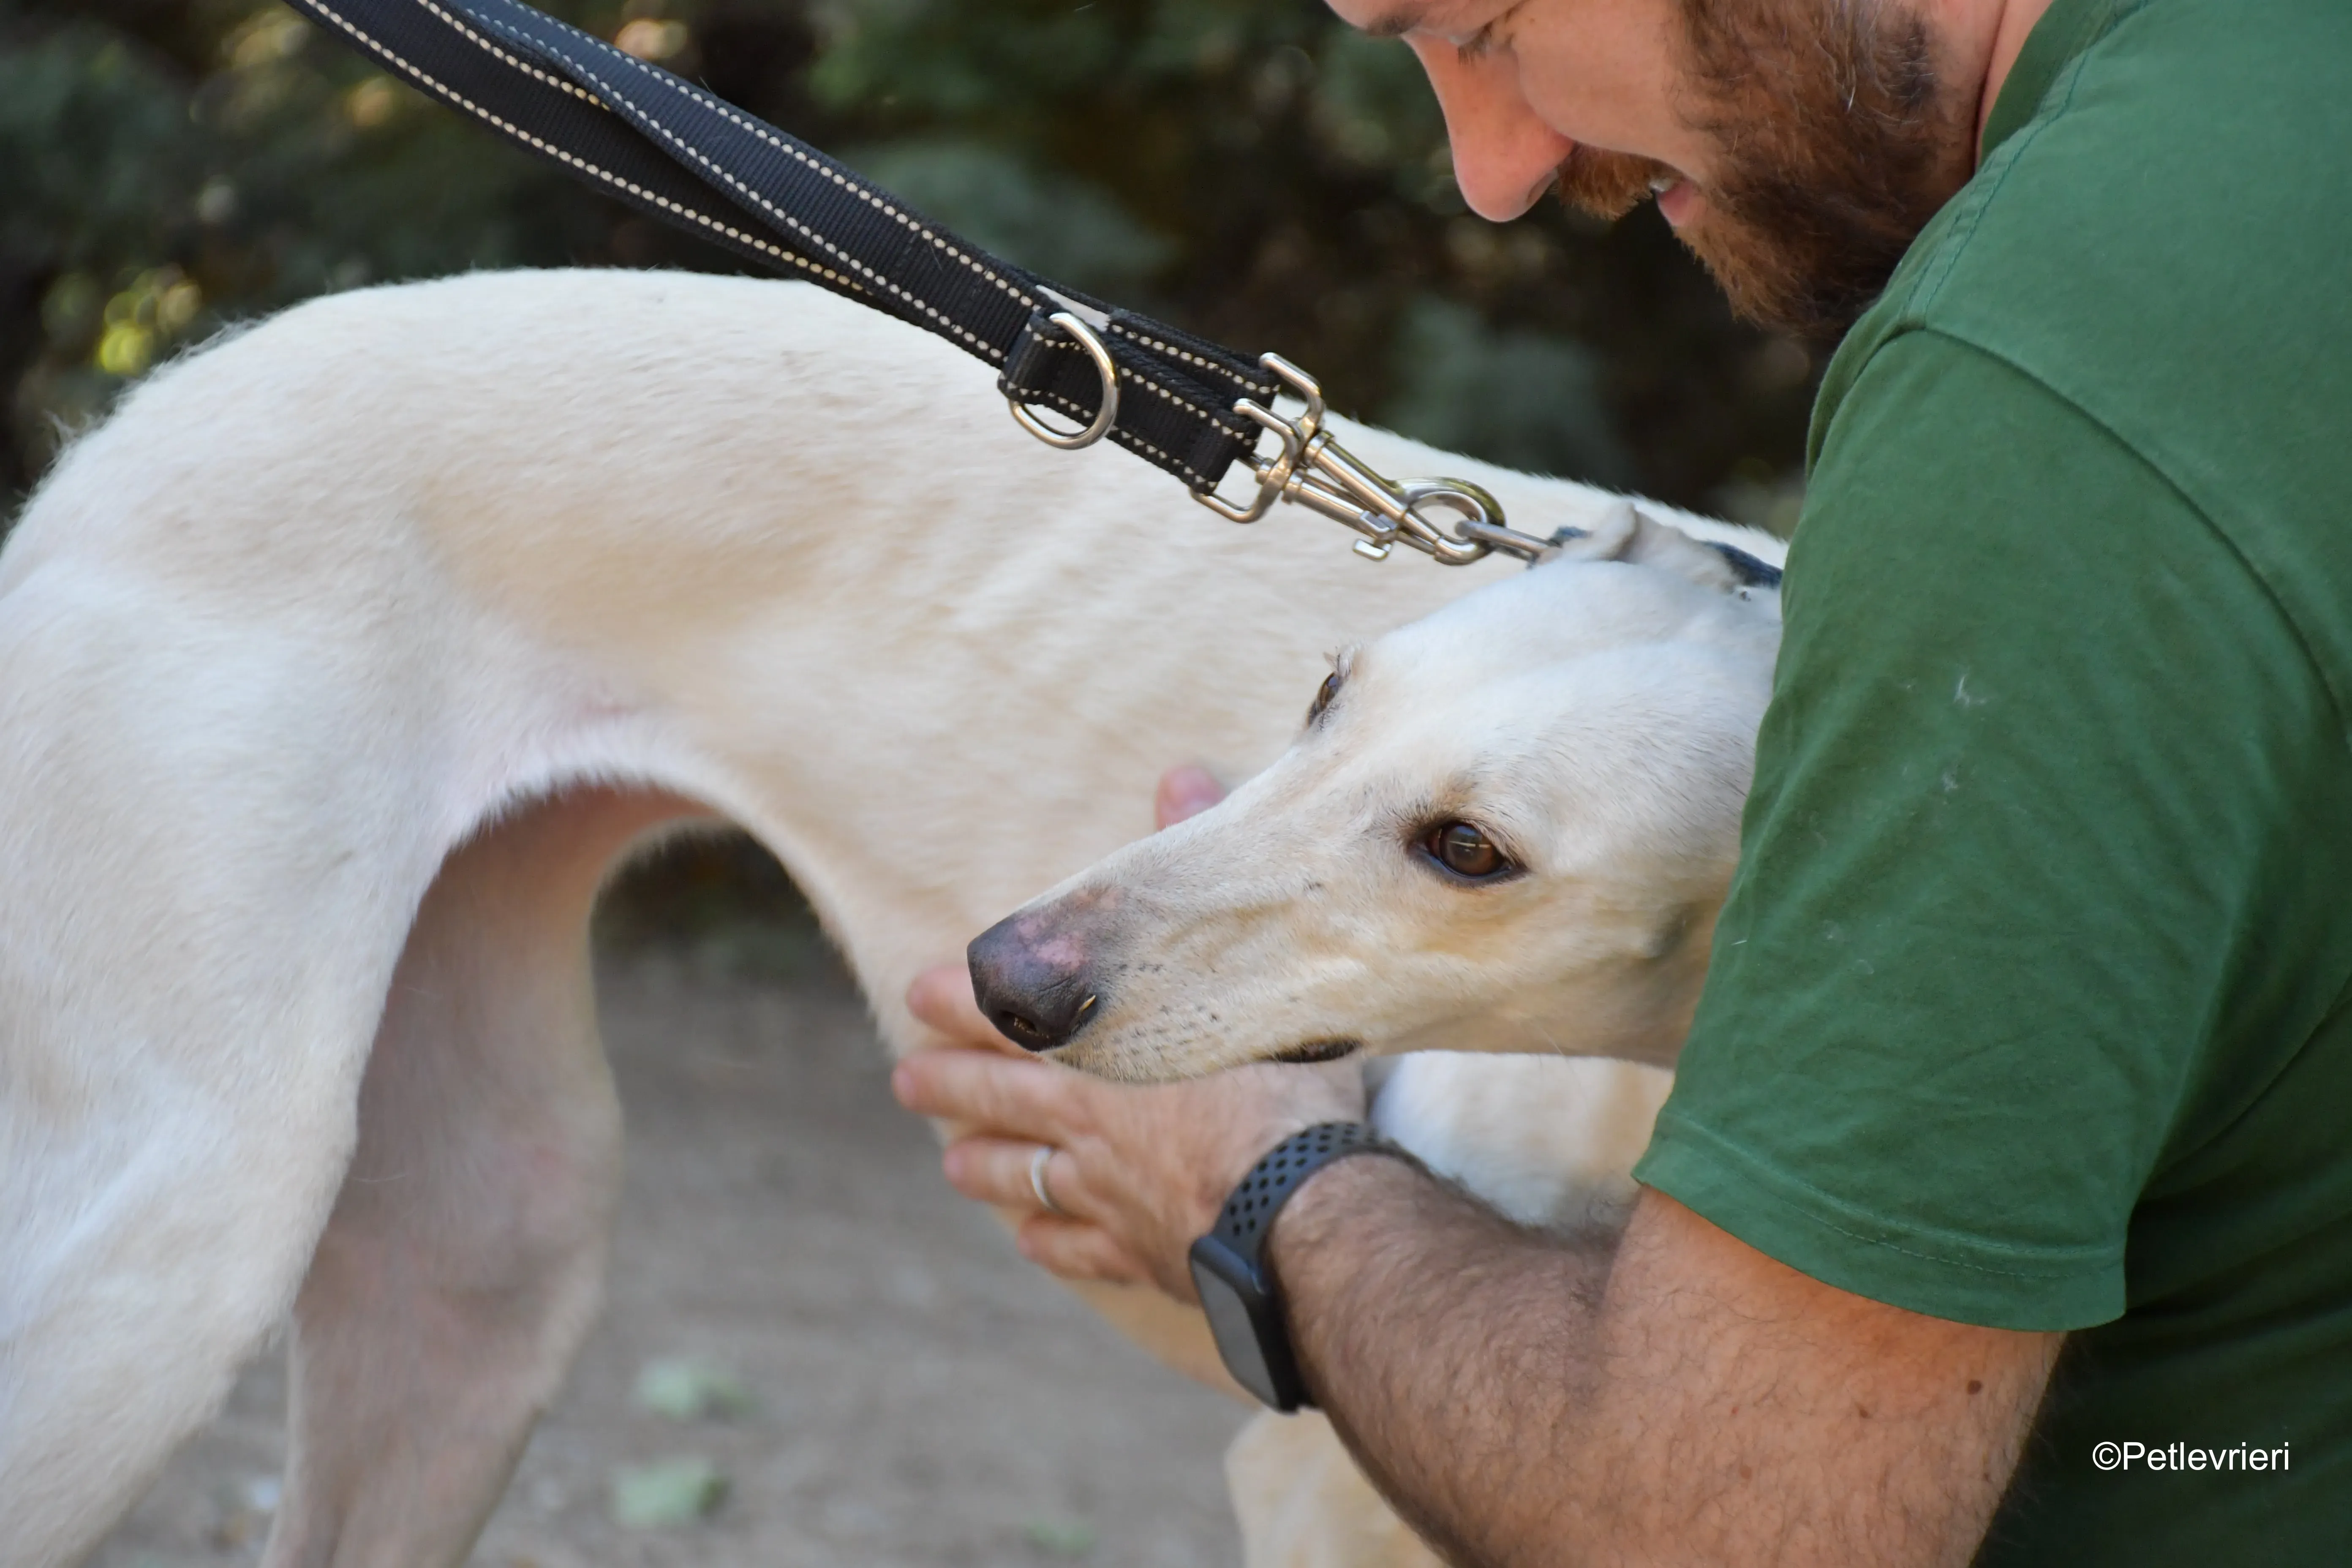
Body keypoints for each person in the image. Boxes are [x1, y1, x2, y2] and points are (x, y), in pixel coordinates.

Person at [892, 0, 2352, 1560]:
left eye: (1486, 23)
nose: (1495, 171)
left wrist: (1264, 1189)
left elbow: (1730, 1529)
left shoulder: (2029, 417)